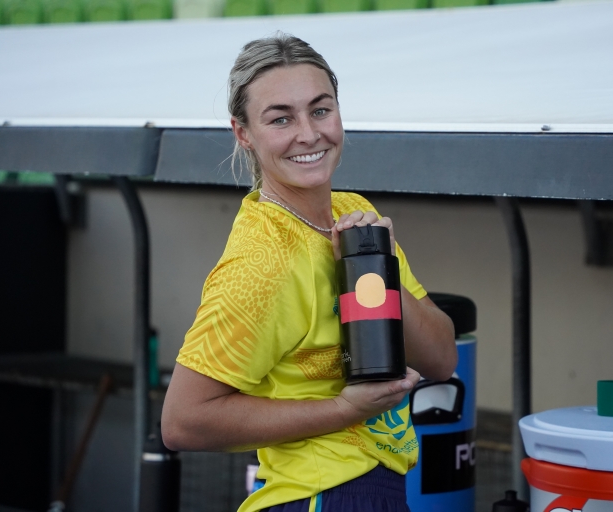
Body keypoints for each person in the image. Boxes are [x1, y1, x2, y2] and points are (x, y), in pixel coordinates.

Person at [161, 33, 457, 512]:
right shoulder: (262, 262)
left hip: (380, 489)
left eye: (320, 110)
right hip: (320, 496)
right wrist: (343, 410)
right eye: (281, 118)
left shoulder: (354, 212)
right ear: (243, 133)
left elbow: (442, 359)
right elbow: (182, 423)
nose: (308, 133)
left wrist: (373, 270)